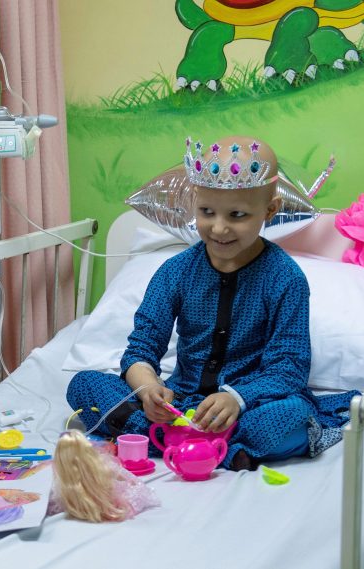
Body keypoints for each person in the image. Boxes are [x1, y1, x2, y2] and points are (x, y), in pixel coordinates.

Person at [66, 135, 359, 471]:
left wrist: (237, 398)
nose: (219, 228)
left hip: (250, 406)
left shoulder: (286, 278)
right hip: (181, 405)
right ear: (195, 204)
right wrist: (149, 389)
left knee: (291, 417)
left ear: (269, 210)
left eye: (237, 215)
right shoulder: (176, 270)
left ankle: (190, 441)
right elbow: (141, 349)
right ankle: (200, 442)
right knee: (84, 386)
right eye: (207, 212)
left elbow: (288, 368)